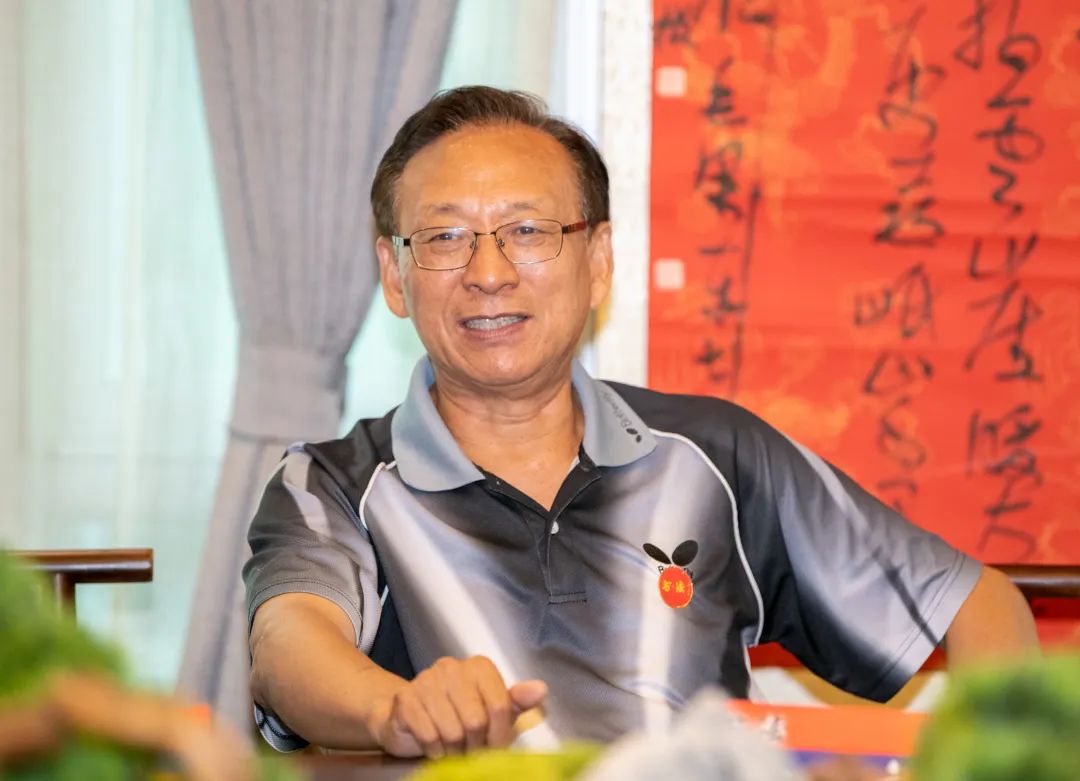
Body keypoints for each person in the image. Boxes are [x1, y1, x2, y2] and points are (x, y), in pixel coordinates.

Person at [243, 86, 1038, 758]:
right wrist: (395, 708)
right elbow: (286, 645)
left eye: (528, 232)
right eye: (445, 237)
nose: (488, 272)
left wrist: (999, 764)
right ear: (394, 273)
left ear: (598, 261)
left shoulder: (716, 456)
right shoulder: (332, 483)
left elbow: (981, 605)